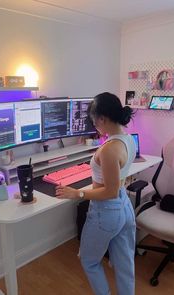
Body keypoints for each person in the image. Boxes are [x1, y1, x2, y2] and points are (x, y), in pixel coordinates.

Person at [56, 92, 136, 295]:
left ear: (102, 118)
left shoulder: (109, 149)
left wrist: (78, 194)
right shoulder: (127, 139)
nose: (95, 127)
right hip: (124, 206)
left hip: (107, 211)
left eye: (94, 121)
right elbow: (115, 185)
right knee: (124, 264)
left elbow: (108, 192)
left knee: (89, 261)